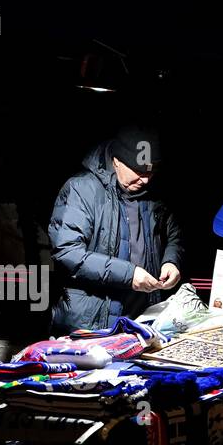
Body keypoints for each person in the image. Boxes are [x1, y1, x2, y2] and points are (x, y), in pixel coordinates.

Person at [49, 126, 184, 335]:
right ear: (116, 161)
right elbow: (67, 252)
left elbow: (175, 234)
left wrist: (171, 261)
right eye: (139, 172)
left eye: (151, 172)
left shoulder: (155, 193)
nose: (146, 179)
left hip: (143, 321)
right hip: (89, 326)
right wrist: (129, 274)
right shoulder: (82, 189)